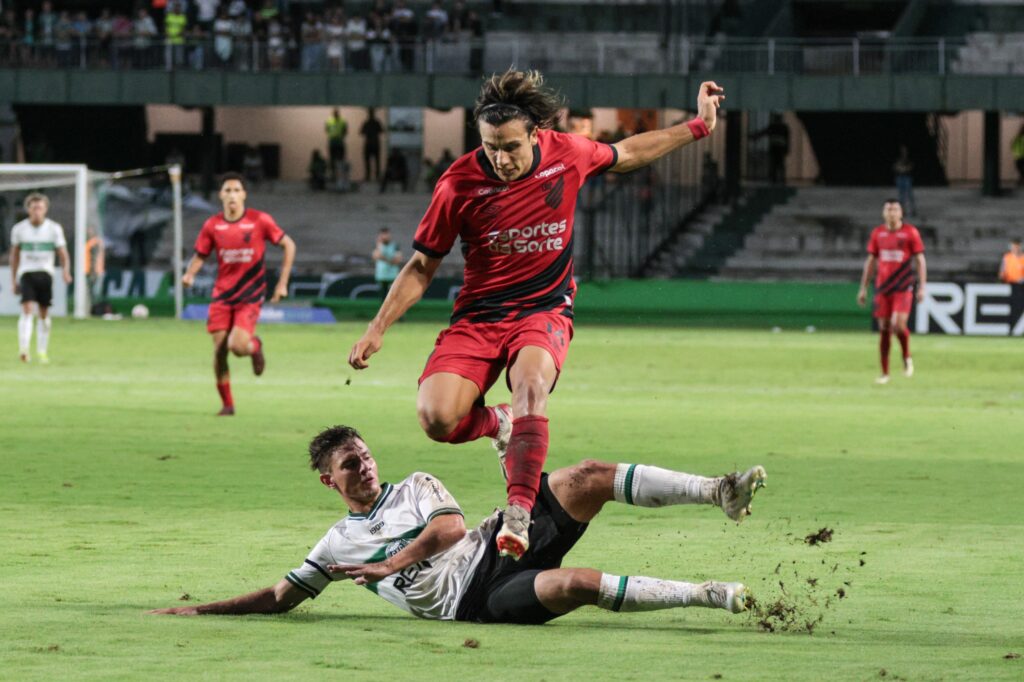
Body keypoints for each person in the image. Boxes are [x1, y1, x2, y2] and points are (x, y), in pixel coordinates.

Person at [348, 69, 725, 560]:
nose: (501, 158)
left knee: (530, 385)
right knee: (437, 419)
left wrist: (699, 126)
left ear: (535, 134)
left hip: (544, 308)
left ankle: (518, 513)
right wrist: (378, 328)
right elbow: (422, 265)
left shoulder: (568, 153)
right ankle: (502, 424)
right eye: (490, 147)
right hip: (480, 315)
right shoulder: (458, 183)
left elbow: (628, 153)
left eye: (510, 147)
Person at [151, 425, 766, 623]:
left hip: (501, 537)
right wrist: (203, 611)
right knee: (571, 584)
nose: (364, 467)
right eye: (349, 464)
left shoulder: (416, 485)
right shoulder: (336, 542)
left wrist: (389, 566)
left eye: (364, 455)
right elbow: (282, 597)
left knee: (588, 474)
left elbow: (449, 530)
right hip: (478, 599)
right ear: (328, 480)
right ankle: (707, 595)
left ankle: (719, 491)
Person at [181, 173, 297, 416]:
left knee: (237, 345)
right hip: (222, 295)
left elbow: (289, 244)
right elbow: (201, 254)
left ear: (244, 194)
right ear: (221, 195)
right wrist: (189, 274)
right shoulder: (212, 225)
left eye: (236, 190)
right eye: (227, 190)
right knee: (219, 350)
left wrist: (282, 283)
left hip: (250, 295)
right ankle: (228, 404)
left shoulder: (259, 220)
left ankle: (255, 347)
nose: (232, 195)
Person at [857, 198, 927, 385]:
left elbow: (920, 260)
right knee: (885, 329)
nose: (891, 213)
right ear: (883, 213)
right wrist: (863, 288)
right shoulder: (877, 234)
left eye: (895, 209)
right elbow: (870, 262)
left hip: (903, 287)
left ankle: (906, 356)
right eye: (888, 209)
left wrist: (923, 287)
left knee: (898, 325)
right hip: (883, 287)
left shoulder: (910, 233)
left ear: (901, 213)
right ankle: (885, 373)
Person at [9, 192, 71, 364]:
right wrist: (13, 280)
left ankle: (42, 350)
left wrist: (66, 271)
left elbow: (63, 253)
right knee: (27, 309)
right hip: (27, 273)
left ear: (45, 210)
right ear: (28, 209)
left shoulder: (54, 229)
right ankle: (24, 349)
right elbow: (14, 256)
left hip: (45, 274)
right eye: (34, 207)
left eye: (40, 208)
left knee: (44, 313)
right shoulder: (19, 229)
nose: (37, 211)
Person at [749, 113, 789, 186]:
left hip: (777, 148)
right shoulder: (782, 127)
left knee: (776, 164)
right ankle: (778, 179)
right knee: (777, 164)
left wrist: (754, 136)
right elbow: (787, 140)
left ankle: (777, 179)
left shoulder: (778, 127)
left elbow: (764, 132)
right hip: (778, 149)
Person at [373, 227, 402, 302]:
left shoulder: (395, 246)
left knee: (394, 296)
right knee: (383, 298)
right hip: (382, 275)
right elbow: (376, 257)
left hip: (392, 275)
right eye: (383, 234)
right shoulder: (378, 246)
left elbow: (397, 260)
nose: (385, 237)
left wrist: (384, 258)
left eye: (386, 234)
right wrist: (379, 246)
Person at [84, 227, 105, 312]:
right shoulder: (90, 242)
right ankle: (92, 310)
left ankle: (96, 311)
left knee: (94, 293)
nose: (89, 232)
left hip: (94, 272)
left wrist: (93, 272)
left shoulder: (95, 243)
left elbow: (94, 258)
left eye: (90, 230)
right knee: (91, 293)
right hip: (91, 271)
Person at [325, 107, 348, 185]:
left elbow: (345, 131)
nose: (336, 114)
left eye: (337, 112)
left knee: (340, 160)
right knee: (332, 160)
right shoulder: (329, 121)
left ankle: (341, 176)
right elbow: (327, 130)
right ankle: (333, 175)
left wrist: (340, 136)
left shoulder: (342, 121)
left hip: (339, 142)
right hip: (333, 142)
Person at [360, 108, 384, 182]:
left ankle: (374, 176)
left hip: (372, 144)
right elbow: (362, 132)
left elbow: (381, 131)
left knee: (375, 161)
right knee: (371, 161)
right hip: (372, 144)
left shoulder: (373, 123)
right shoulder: (370, 123)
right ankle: (370, 176)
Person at [892, 145, 916, 217]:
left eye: (905, 150)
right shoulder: (897, 158)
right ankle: (902, 211)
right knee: (901, 196)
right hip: (900, 177)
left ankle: (912, 211)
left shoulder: (908, 158)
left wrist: (903, 169)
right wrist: (902, 169)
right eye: (902, 150)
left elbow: (911, 167)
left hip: (907, 177)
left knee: (909, 195)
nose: (904, 151)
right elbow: (895, 167)